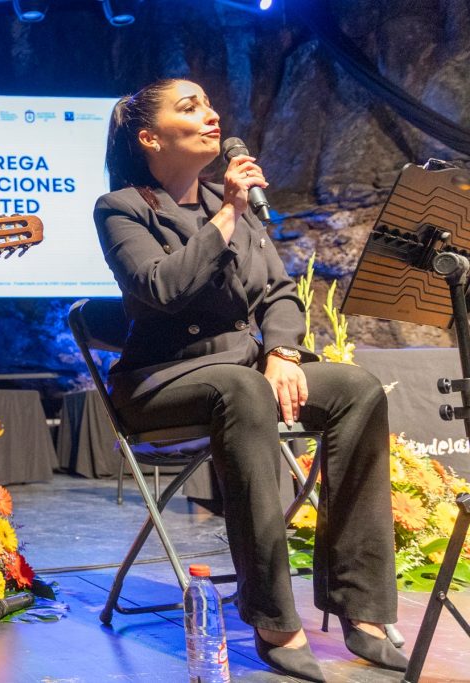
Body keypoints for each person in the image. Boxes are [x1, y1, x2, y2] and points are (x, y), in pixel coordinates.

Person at [94, 79, 407, 681]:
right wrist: (229, 215)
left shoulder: (225, 202)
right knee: (243, 389)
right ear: (150, 138)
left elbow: (280, 292)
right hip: (162, 383)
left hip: (245, 373)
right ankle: (272, 617)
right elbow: (161, 287)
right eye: (190, 107)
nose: (211, 115)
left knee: (357, 390)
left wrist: (283, 352)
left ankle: (361, 608)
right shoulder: (123, 208)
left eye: (209, 104)